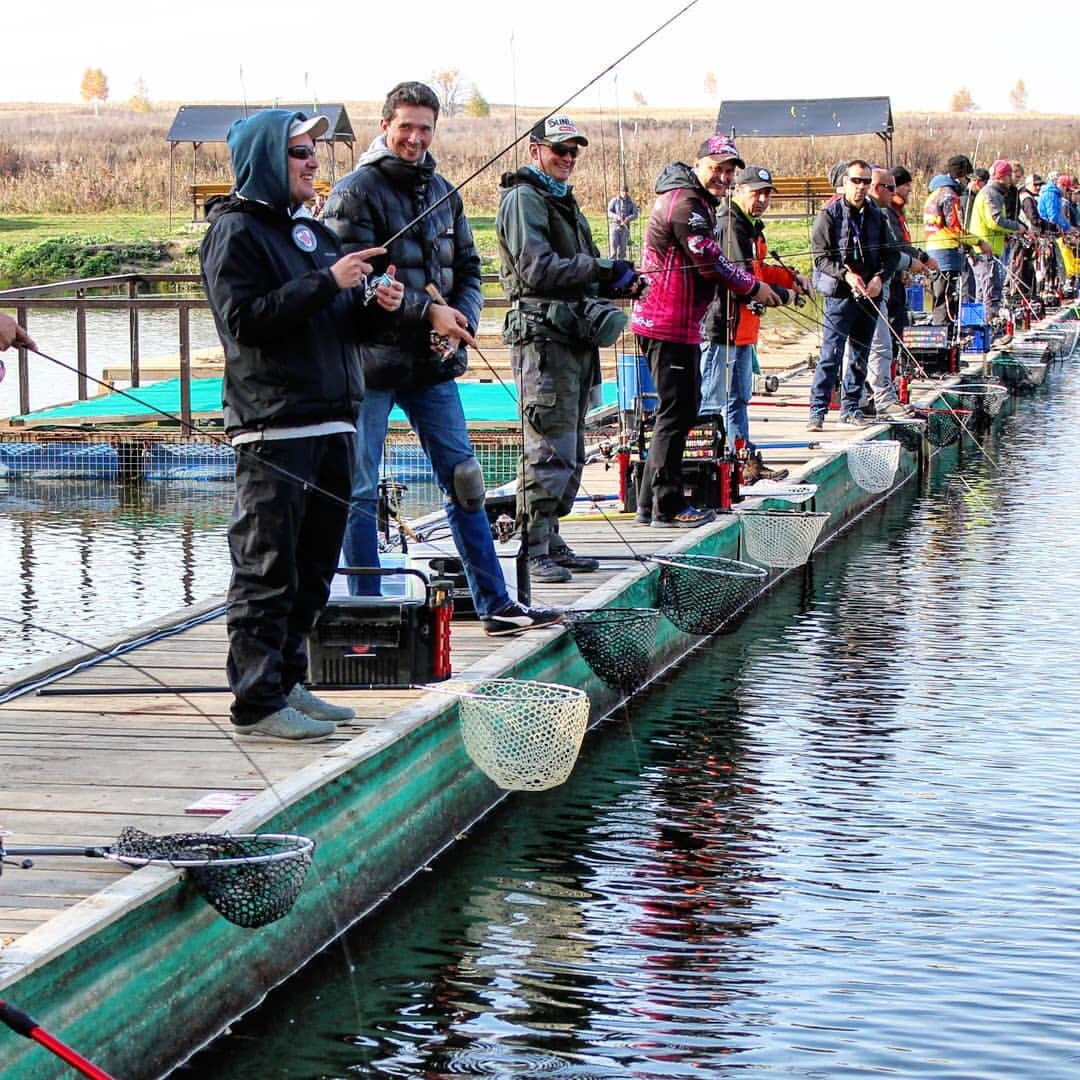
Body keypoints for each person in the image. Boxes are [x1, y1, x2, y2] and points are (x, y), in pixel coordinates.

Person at [322, 82, 559, 636]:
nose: (414, 137)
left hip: (433, 366)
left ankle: (496, 604)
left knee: (466, 479)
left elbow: (471, 272)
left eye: (425, 128)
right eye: (405, 126)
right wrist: (424, 314)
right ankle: (366, 608)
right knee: (358, 488)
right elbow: (348, 285)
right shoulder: (354, 193)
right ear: (385, 125)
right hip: (370, 366)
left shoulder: (445, 193)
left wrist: (462, 322)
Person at [200, 108, 405, 743]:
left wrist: (374, 306)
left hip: (333, 423)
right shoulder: (234, 233)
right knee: (268, 569)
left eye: (313, 149)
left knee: (314, 568)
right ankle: (256, 702)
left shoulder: (309, 233)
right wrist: (327, 282)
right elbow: (245, 321)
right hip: (274, 427)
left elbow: (338, 319)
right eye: (298, 152)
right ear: (264, 159)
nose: (313, 160)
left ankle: (288, 681)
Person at [496, 114, 641, 582]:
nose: (568, 158)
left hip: (572, 338)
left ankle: (552, 537)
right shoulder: (523, 199)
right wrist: (601, 268)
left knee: (573, 447)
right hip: (542, 341)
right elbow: (538, 270)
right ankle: (532, 547)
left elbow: (583, 270)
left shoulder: (563, 201)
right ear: (535, 150)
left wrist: (621, 281)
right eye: (560, 149)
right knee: (547, 447)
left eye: (574, 150)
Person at [631, 135, 779, 527]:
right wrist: (755, 287)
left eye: (730, 171)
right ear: (699, 165)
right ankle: (668, 506)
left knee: (678, 410)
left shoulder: (698, 201)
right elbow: (710, 262)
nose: (724, 177)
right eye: (718, 168)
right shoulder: (685, 203)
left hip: (680, 326)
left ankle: (648, 505)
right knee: (676, 415)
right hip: (666, 324)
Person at [701, 163, 806, 481]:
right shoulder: (730, 224)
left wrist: (792, 278)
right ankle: (709, 466)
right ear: (739, 190)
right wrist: (784, 296)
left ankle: (742, 459)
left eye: (766, 194)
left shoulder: (750, 226)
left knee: (739, 398)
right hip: (722, 327)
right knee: (712, 400)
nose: (761, 199)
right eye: (755, 192)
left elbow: (758, 272)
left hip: (744, 330)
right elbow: (741, 279)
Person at [807, 159, 899, 431]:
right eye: (856, 181)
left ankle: (850, 407)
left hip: (870, 293)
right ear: (845, 182)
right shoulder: (829, 214)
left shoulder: (877, 215)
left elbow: (892, 254)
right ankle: (818, 411)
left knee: (860, 353)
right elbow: (820, 257)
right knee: (831, 353)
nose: (861, 186)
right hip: (839, 294)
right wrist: (845, 274)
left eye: (866, 182)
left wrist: (880, 278)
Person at [854, 165, 936, 418]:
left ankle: (864, 398)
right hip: (867, 290)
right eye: (890, 187)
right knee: (879, 344)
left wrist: (909, 264)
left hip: (881, 285)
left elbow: (892, 251)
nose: (898, 192)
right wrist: (913, 262)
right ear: (878, 188)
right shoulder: (877, 214)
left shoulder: (881, 213)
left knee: (874, 344)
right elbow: (891, 249)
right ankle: (880, 399)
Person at [923, 157, 992, 327]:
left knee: (939, 300)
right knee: (946, 302)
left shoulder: (935, 193)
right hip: (946, 255)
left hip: (933, 250)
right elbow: (955, 229)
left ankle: (943, 336)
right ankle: (944, 341)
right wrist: (979, 242)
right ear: (959, 177)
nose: (967, 182)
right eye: (967, 178)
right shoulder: (949, 196)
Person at [969, 159, 1027, 326]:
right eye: (1010, 176)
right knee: (990, 293)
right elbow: (994, 221)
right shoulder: (991, 193)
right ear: (1003, 176)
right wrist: (1017, 227)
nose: (1012, 180)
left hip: (989, 249)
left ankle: (983, 329)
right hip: (986, 251)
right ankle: (990, 330)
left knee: (984, 293)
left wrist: (1007, 236)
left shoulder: (994, 193)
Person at [607, 184, 638, 260]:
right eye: (623, 191)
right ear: (620, 192)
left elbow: (635, 214)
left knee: (623, 251)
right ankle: (612, 268)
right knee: (613, 250)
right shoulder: (614, 201)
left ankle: (621, 267)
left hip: (625, 228)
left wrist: (628, 218)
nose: (624, 193)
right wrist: (617, 217)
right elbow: (609, 212)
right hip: (614, 226)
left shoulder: (631, 202)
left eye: (626, 191)